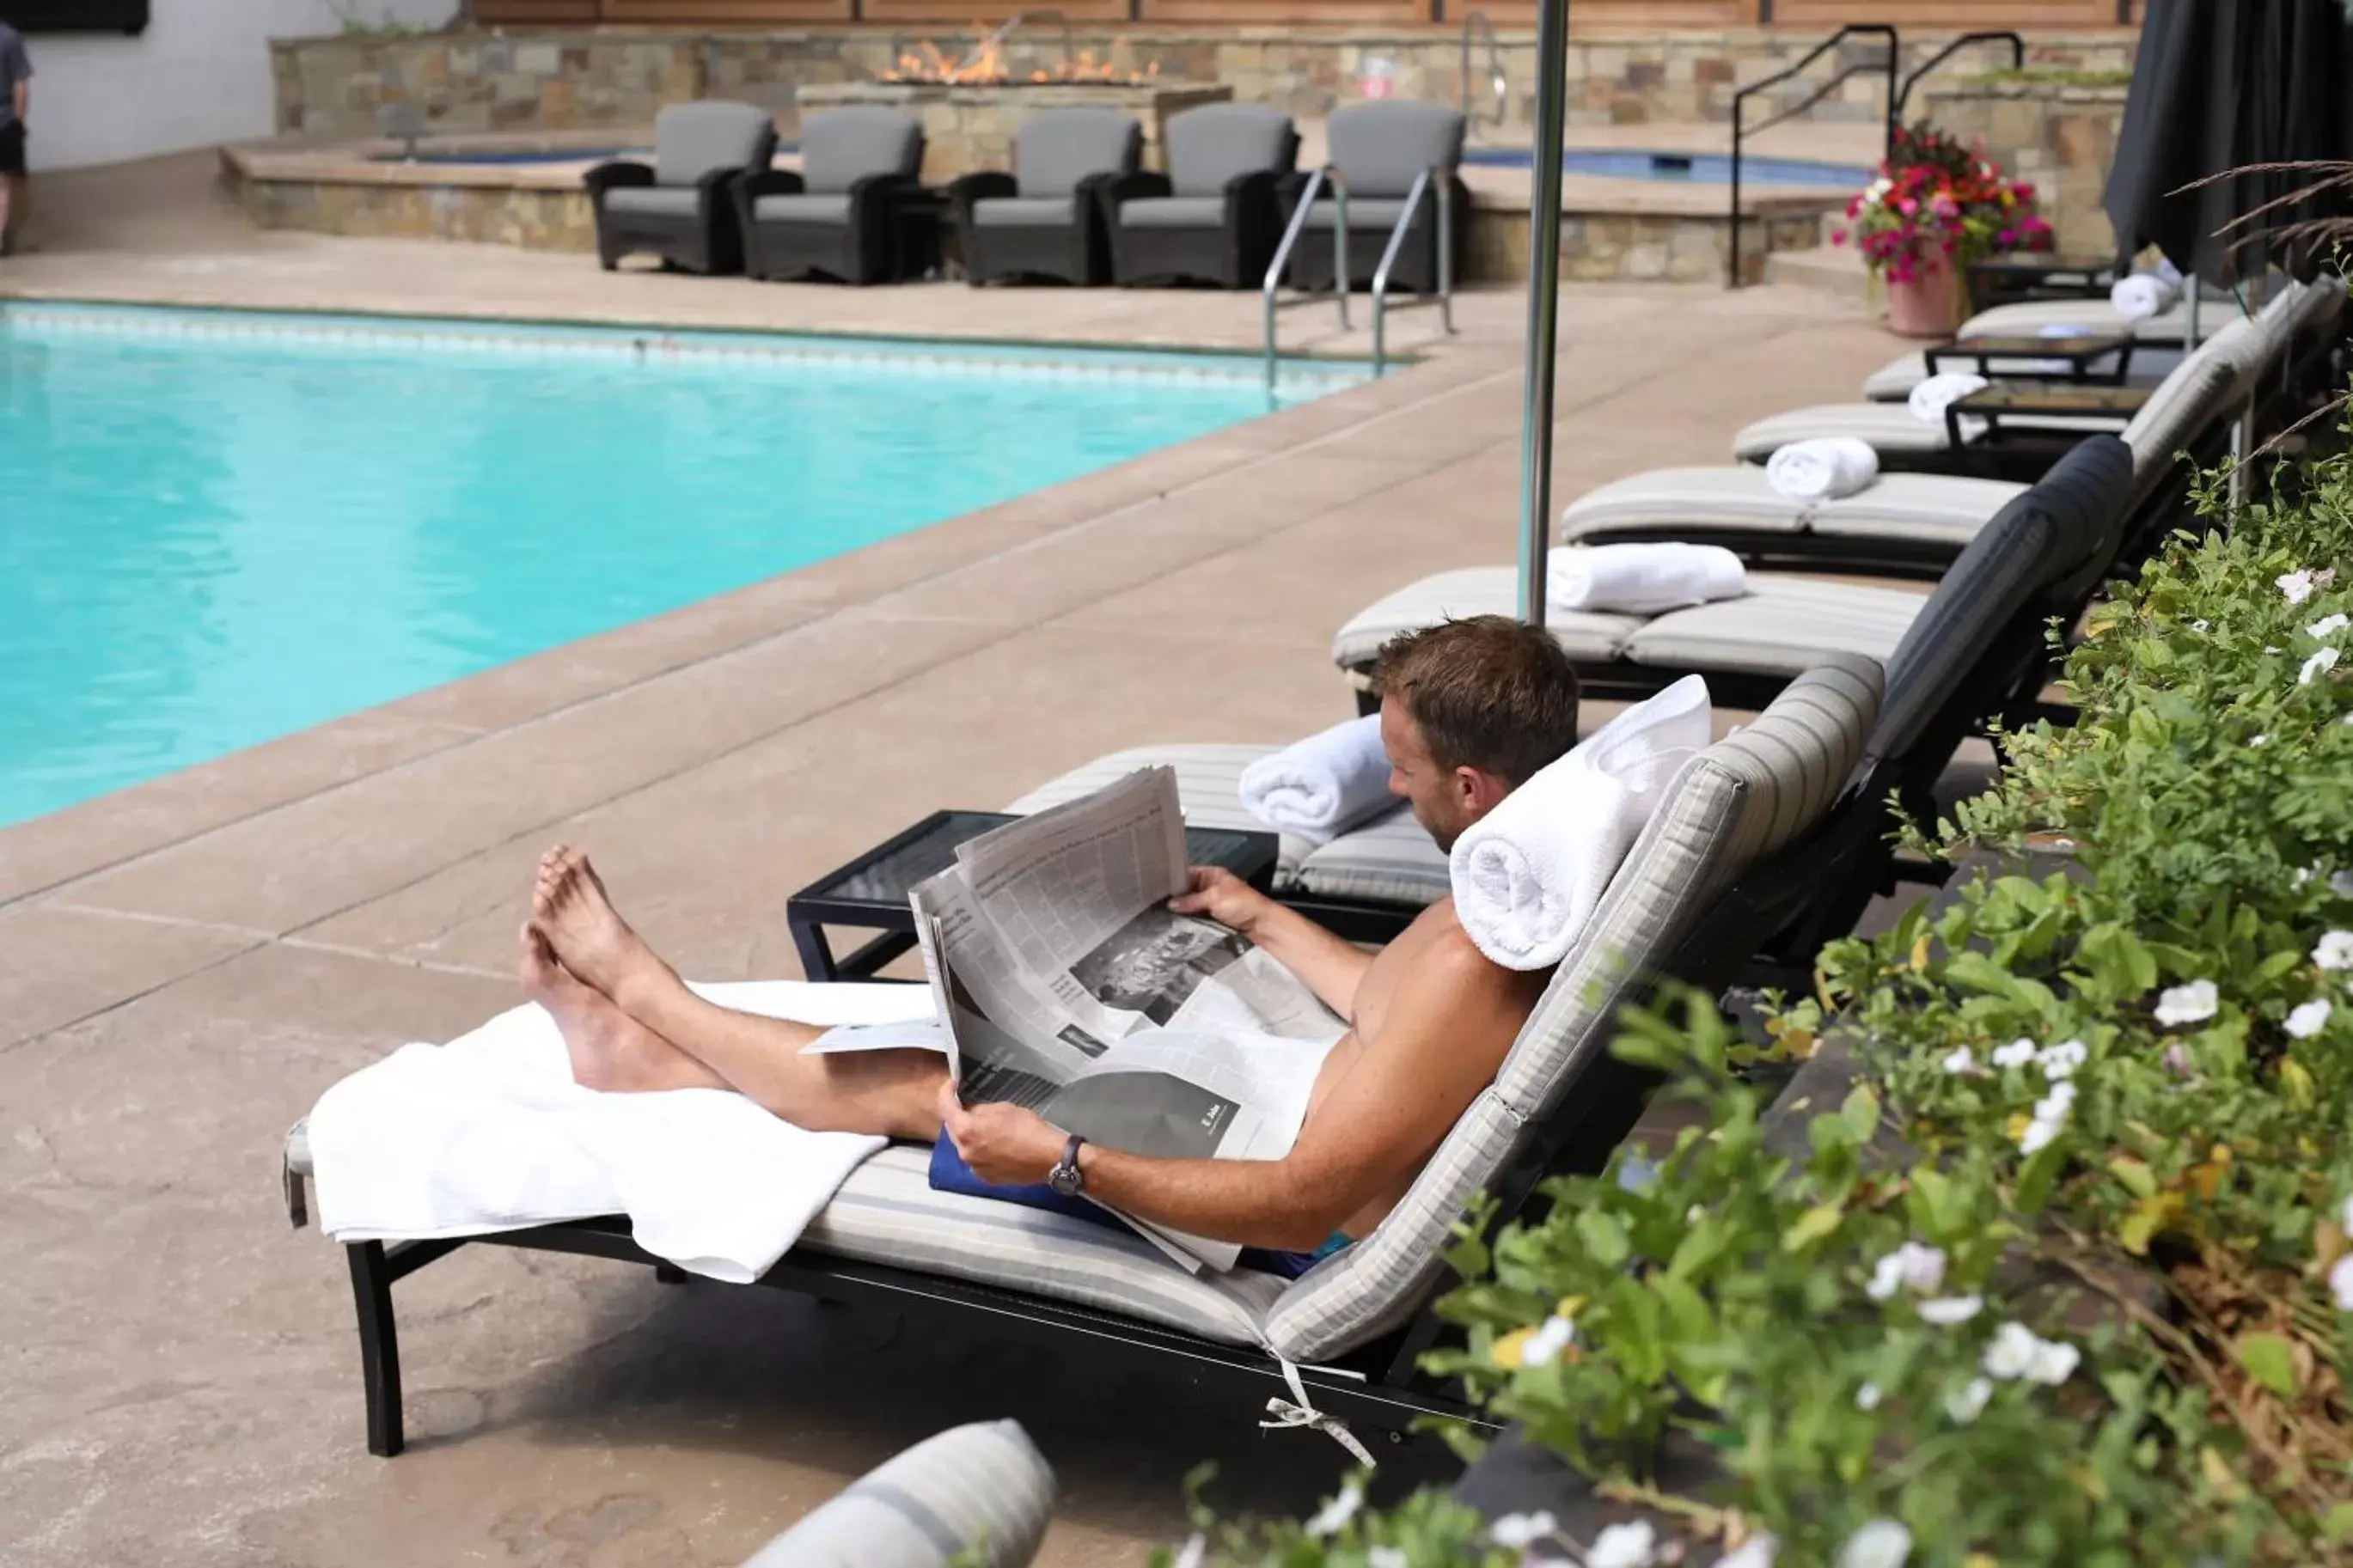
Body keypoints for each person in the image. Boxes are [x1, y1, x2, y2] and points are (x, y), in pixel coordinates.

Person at [521, 615, 1582, 1270]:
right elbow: (1391, 1010)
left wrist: (1065, 1162)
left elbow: (1303, 1207)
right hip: (1291, 1083)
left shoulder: (1473, 957)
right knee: (993, 1015)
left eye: (1401, 770)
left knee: (932, 1078)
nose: (1390, 788)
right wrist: (1258, 915)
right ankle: (659, 1056)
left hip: (1279, 1191)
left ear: (1469, 784)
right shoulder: (1508, 885)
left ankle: (643, 1002)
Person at [0, 20, 28, 257]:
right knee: (5, 185)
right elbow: (20, 82)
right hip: (5, 118)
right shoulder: (10, 37)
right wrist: (18, 120)